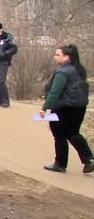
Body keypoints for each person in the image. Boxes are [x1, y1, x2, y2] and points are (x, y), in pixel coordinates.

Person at [39, 44, 94, 174]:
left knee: (59, 134)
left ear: (67, 57)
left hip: (63, 108)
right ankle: (89, 159)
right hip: (79, 107)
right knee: (73, 133)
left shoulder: (62, 72)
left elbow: (55, 92)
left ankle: (60, 164)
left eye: (58, 55)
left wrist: (45, 108)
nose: (55, 57)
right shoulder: (79, 70)